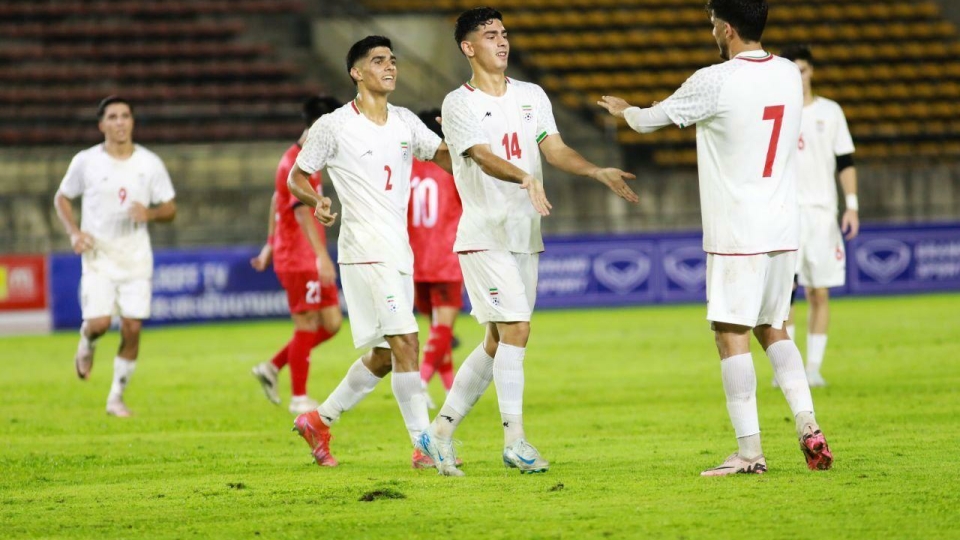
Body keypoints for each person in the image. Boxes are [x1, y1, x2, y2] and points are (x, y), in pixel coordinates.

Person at [598, 0, 833, 476]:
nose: (711, 33)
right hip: (783, 228)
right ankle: (808, 425)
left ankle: (749, 452)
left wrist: (626, 111)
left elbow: (650, 120)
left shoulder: (716, 80)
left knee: (730, 334)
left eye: (711, 24)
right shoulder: (789, 73)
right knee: (774, 328)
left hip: (737, 231)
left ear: (726, 29)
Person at [418, 7, 640, 477]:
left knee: (498, 340)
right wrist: (523, 176)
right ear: (467, 47)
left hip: (525, 235)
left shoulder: (531, 95)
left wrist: (596, 169)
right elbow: (480, 155)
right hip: (483, 235)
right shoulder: (458, 103)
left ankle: (438, 434)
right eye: (490, 34)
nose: (502, 41)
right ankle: (514, 440)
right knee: (517, 328)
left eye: (504, 33)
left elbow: (554, 150)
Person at [287, 36, 454, 469]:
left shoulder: (403, 121)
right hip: (364, 249)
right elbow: (297, 177)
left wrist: (468, 144)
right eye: (378, 61)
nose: (390, 67)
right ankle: (424, 445)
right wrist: (316, 200)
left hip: (398, 250)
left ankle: (320, 419)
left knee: (387, 354)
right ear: (356, 73)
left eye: (393, 60)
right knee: (407, 340)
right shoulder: (334, 125)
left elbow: (443, 155)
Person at [54, 96, 177, 417]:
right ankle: (87, 343)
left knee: (132, 328)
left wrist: (149, 214)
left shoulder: (149, 163)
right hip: (98, 257)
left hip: (136, 258)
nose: (120, 122)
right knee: (98, 323)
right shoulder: (86, 161)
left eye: (125, 116)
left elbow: (170, 207)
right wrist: (74, 233)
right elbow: (62, 198)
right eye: (113, 117)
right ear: (102, 124)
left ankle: (116, 398)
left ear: (133, 122)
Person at [250, 96, 344, 414]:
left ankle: (273, 366)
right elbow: (302, 212)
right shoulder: (299, 162)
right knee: (306, 322)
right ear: (319, 124)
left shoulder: (303, 158)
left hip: (300, 252)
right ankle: (299, 397)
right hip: (301, 257)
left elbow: (277, 201)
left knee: (331, 323)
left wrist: (268, 244)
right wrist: (322, 257)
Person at [779, 44, 859, 388]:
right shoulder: (778, 113)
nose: (799, 76)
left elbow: (845, 162)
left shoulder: (831, 112)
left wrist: (852, 204)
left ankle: (813, 367)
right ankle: (789, 370)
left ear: (811, 72)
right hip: (786, 213)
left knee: (819, 292)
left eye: (803, 70)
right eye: (793, 71)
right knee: (785, 293)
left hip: (823, 214)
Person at [407, 109, 464, 407]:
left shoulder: (410, 167)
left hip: (415, 259)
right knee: (444, 327)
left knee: (438, 329)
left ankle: (450, 387)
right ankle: (420, 382)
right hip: (445, 255)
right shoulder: (449, 165)